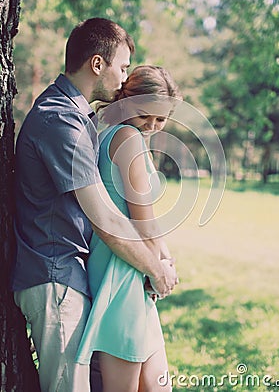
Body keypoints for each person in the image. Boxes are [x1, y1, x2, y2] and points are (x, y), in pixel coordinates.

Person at [12, 19, 178, 392]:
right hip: (53, 275)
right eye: (122, 66)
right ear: (97, 64)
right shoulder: (59, 120)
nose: (124, 78)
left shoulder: (81, 119)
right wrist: (157, 269)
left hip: (73, 274)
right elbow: (103, 216)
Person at [76, 65, 183, 392]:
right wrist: (159, 267)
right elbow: (144, 219)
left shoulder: (111, 131)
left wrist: (165, 260)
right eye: (145, 114)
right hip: (121, 268)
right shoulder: (127, 137)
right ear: (126, 101)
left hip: (131, 263)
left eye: (161, 119)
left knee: (154, 384)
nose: (152, 124)